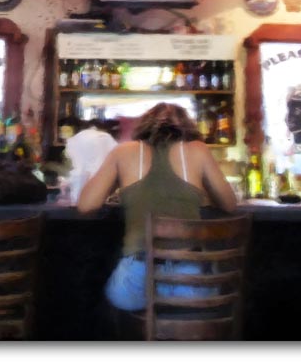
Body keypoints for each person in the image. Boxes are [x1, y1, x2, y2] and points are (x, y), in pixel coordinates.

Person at [77, 102, 237, 311]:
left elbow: (86, 205)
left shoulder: (123, 152)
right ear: (186, 126)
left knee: (106, 301)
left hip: (135, 284)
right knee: (201, 294)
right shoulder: (198, 150)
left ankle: (131, 336)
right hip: (189, 284)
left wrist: (120, 182)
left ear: (144, 124)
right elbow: (230, 204)